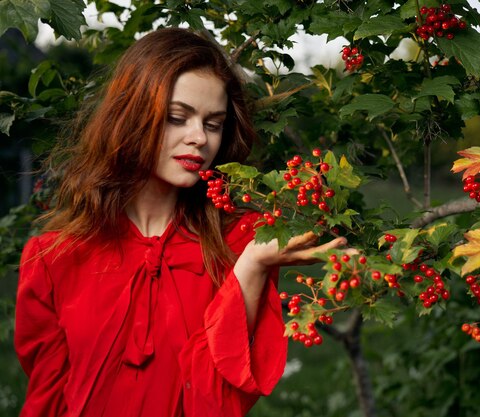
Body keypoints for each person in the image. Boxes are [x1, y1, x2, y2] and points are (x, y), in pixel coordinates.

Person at [14, 27, 350, 417]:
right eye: (178, 117)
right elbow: (45, 403)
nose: (199, 139)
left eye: (213, 123)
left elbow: (221, 404)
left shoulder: (240, 243)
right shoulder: (52, 257)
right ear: (131, 114)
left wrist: (252, 269)